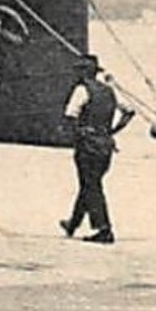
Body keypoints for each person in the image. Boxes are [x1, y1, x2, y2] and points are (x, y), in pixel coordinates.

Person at [61, 56, 137, 245]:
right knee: (90, 183)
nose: (76, 74)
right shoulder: (109, 91)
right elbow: (129, 112)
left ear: (84, 72)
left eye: (78, 70)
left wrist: (78, 134)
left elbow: (71, 115)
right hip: (106, 145)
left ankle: (104, 229)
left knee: (91, 185)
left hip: (88, 145)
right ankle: (73, 223)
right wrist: (112, 131)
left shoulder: (82, 90)